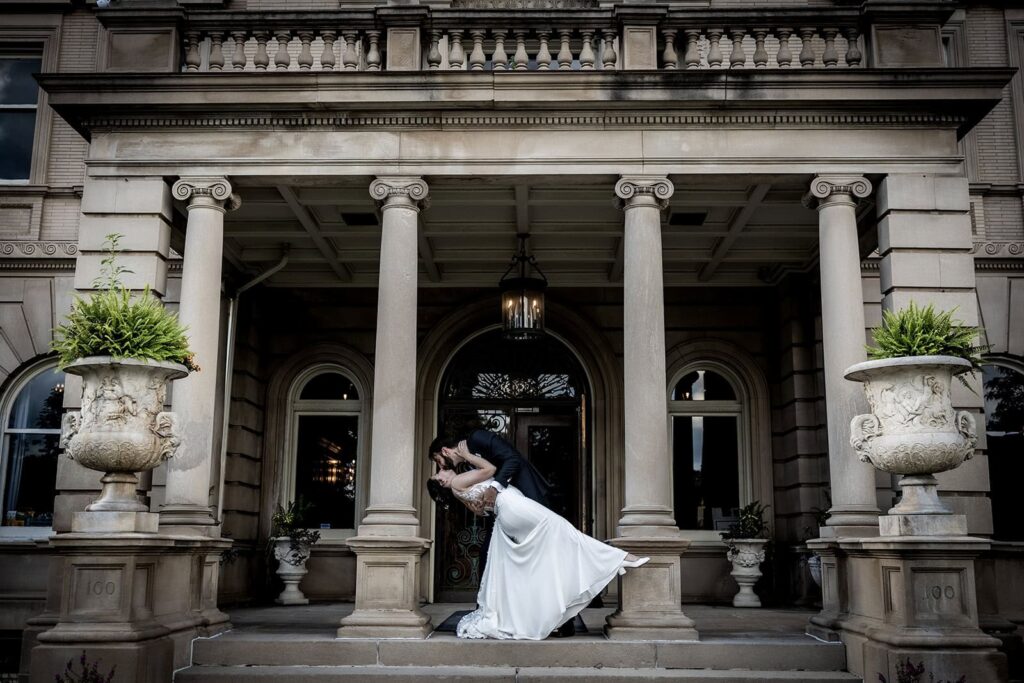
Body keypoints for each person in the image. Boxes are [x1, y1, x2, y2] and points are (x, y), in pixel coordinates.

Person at [427, 448, 649, 640]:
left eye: (439, 468)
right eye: (439, 474)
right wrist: (467, 455)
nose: (441, 470)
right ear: (443, 482)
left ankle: (608, 562)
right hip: (512, 505)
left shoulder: (457, 491)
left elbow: (481, 509)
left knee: (544, 555)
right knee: (566, 533)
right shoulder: (456, 481)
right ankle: (618, 558)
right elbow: (490, 470)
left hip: (506, 512)